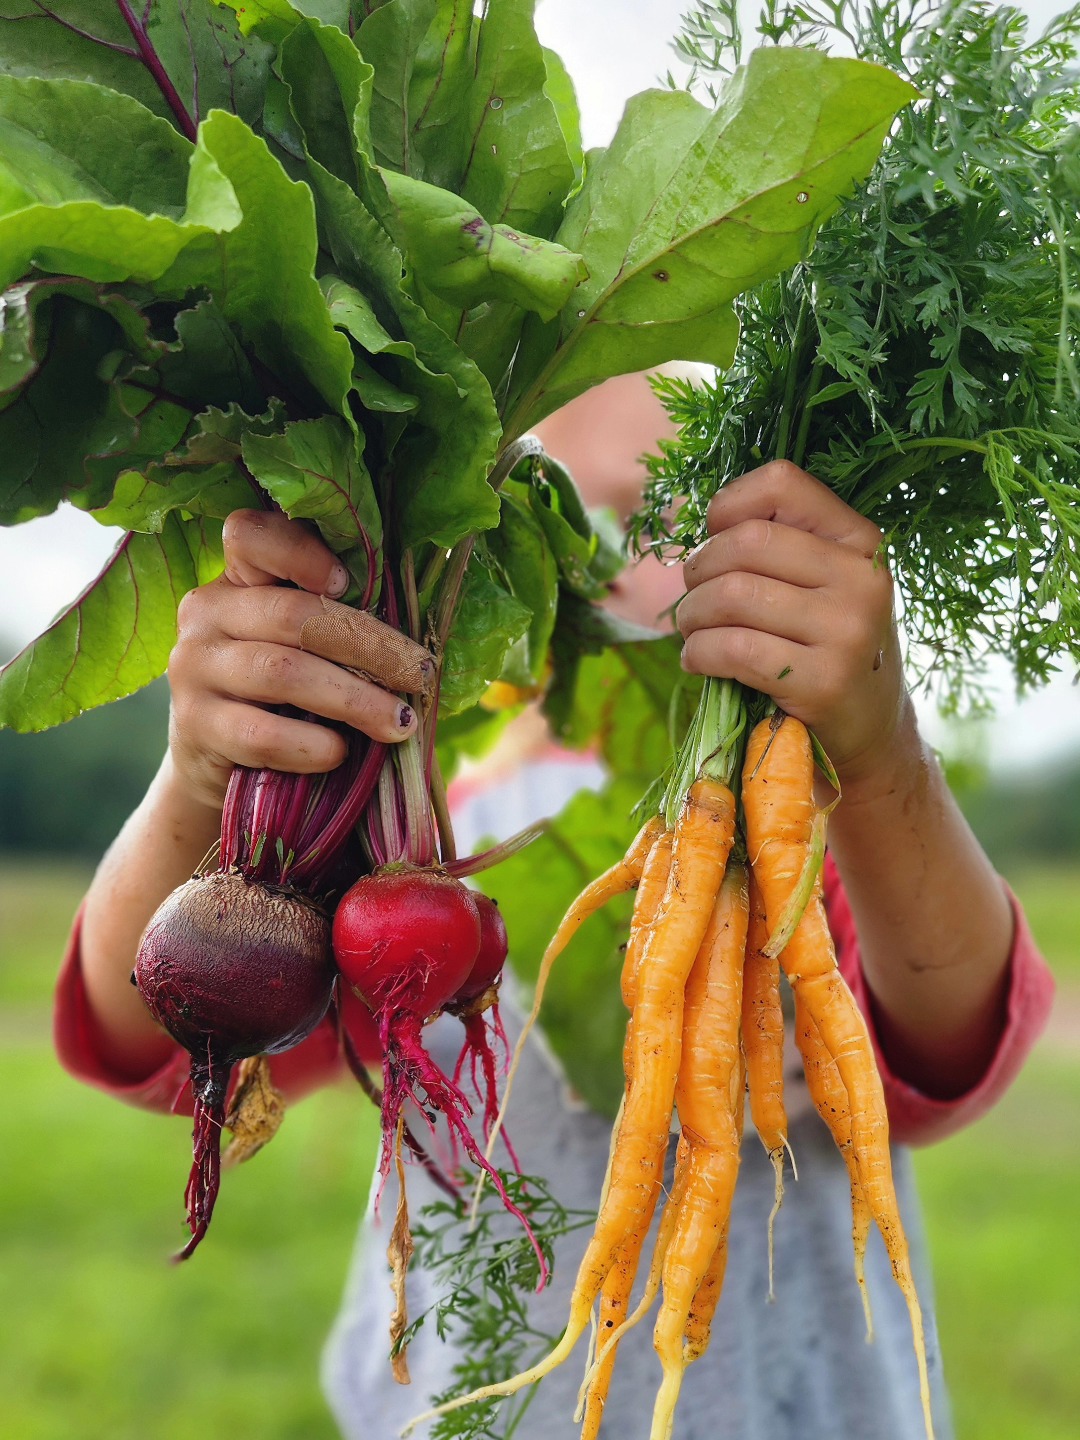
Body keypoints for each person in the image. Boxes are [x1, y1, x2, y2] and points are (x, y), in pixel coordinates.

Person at [54, 373, 1055, 1439]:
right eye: (584, 517)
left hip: (802, 1399)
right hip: (468, 1397)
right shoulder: (433, 807)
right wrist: (203, 772)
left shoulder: (814, 803)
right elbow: (157, 1043)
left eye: (667, 518)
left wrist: (879, 738)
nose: (620, 565)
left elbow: (949, 1045)